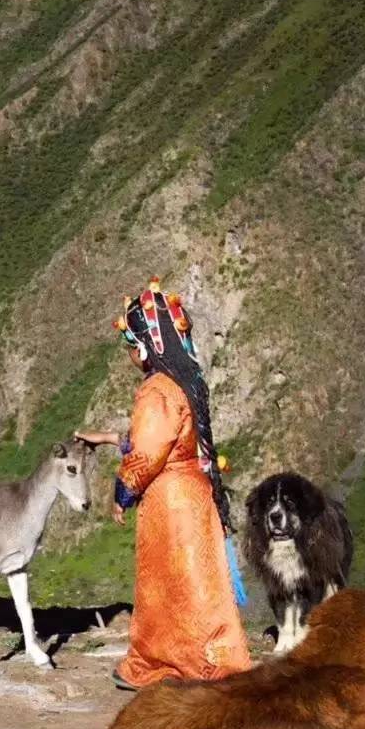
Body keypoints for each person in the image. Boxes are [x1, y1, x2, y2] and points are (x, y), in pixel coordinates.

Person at [75, 278, 251, 690]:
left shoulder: (156, 389)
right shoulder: (188, 382)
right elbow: (175, 442)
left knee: (166, 586)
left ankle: (161, 664)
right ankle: (213, 660)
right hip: (196, 493)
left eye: (131, 347)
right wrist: (110, 438)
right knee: (200, 583)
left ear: (143, 347)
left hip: (169, 503)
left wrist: (123, 491)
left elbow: (148, 453)